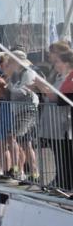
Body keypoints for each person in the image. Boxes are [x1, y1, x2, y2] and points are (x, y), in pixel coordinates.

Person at [0, 50, 39, 182]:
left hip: (28, 110)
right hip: (18, 111)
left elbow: (24, 91)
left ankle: (18, 170)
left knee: (16, 138)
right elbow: (7, 95)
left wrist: (2, 84)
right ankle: (30, 173)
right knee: (23, 142)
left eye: (10, 61)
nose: (7, 64)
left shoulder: (28, 73)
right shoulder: (15, 75)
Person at [33, 41, 73, 191]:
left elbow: (60, 98)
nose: (53, 62)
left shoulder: (70, 77)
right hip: (54, 125)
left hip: (65, 126)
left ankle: (65, 184)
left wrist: (41, 84)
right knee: (59, 155)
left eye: (56, 60)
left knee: (65, 156)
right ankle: (60, 180)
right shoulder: (57, 76)